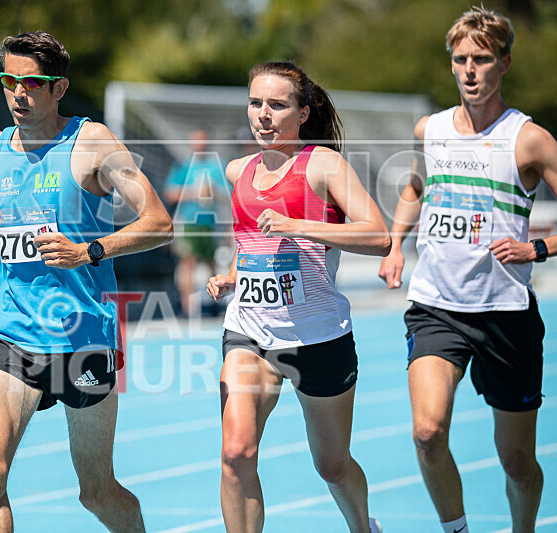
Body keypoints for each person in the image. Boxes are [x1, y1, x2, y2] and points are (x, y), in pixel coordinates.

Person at [0, 31, 173, 533]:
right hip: (11, 333)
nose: (18, 94)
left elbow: (158, 222)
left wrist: (88, 250)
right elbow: (0, 232)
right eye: (10, 81)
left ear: (59, 88)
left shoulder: (92, 143)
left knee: (96, 492)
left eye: (33, 83)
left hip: (81, 337)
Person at [377, 7, 557, 533]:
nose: (470, 71)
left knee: (516, 462)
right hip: (436, 305)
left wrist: (538, 249)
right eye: (460, 60)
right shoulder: (430, 130)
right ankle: (456, 529)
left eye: (481, 59)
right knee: (428, 432)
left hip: (505, 316)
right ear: (451, 65)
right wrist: (395, 243)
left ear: (504, 63)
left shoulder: (528, 139)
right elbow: (415, 186)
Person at [207, 61, 390, 533]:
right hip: (249, 330)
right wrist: (231, 275)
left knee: (331, 465)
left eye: (277, 105)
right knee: (235, 452)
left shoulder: (323, 165)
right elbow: (253, 241)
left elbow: (378, 236)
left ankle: (362, 527)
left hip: (319, 335)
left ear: (303, 113)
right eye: (255, 103)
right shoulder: (237, 171)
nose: (263, 115)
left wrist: (300, 225)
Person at [163, 129, 230, 315]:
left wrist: (213, 192)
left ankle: (215, 303)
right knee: (188, 261)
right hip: (189, 221)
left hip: (210, 222)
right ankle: (187, 308)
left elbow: (230, 193)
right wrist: (193, 192)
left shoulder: (217, 167)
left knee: (211, 263)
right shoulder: (184, 166)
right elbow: (170, 193)